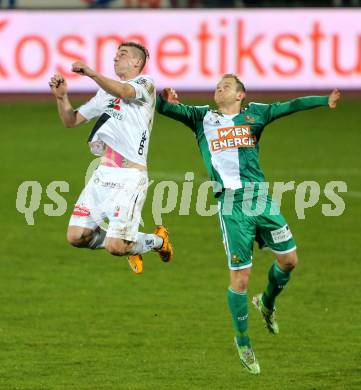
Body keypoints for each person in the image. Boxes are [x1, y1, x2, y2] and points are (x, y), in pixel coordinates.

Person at [156, 75, 340, 374]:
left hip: (262, 201)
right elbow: (165, 110)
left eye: (226, 86)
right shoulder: (202, 117)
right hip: (232, 206)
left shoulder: (255, 113)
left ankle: (266, 302)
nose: (220, 88)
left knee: (290, 260)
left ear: (241, 94)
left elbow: (289, 105)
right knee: (240, 279)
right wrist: (166, 101)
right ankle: (243, 341)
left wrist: (324, 100)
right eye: (218, 85)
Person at [49, 41, 173, 274]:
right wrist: (61, 97)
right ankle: (131, 243)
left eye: (122, 54)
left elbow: (124, 91)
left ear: (137, 62)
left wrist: (92, 73)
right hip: (103, 174)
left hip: (129, 176)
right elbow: (71, 120)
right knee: (76, 236)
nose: (115, 58)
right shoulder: (104, 92)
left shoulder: (145, 84)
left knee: (116, 247)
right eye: (115, 54)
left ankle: (157, 241)